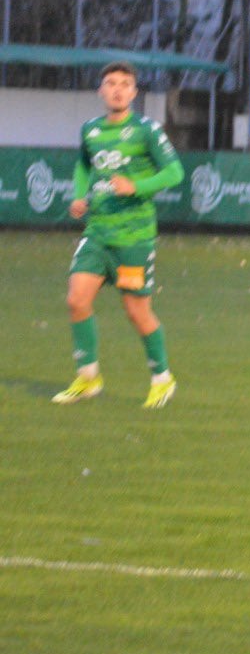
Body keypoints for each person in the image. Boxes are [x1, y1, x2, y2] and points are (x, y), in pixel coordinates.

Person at [52, 62, 185, 409]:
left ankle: (162, 379)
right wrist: (80, 195)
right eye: (110, 83)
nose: (117, 89)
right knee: (76, 300)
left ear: (134, 92)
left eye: (125, 84)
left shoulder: (146, 131)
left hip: (133, 237)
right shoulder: (91, 130)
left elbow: (174, 172)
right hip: (98, 232)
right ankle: (88, 377)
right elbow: (84, 164)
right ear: (101, 90)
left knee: (137, 312)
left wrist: (136, 186)